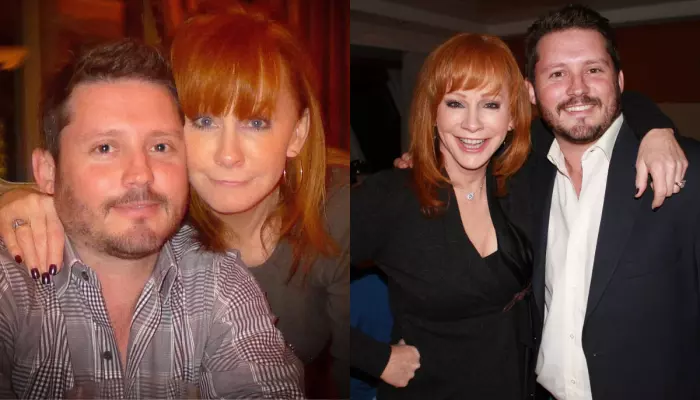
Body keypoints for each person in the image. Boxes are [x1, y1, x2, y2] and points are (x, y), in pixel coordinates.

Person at [0, 6, 350, 398]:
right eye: (204, 121)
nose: (228, 155)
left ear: (297, 134)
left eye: (256, 122)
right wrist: (16, 197)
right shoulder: (152, 218)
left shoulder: (332, 214)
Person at [517, 5, 700, 399]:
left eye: (594, 70)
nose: (577, 88)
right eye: (557, 74)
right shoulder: (522, 171)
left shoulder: (687, 172)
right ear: (531, 90)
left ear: (618, 81)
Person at [352, 32, 538, 400]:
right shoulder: (391, 196)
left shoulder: (519, 184)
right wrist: (377, 359)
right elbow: (302, 273)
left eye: (490, 104)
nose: (472, 123)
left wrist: (654, 133)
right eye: (455, 103)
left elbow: (595, 111)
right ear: (433, 113)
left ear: (512, 118)